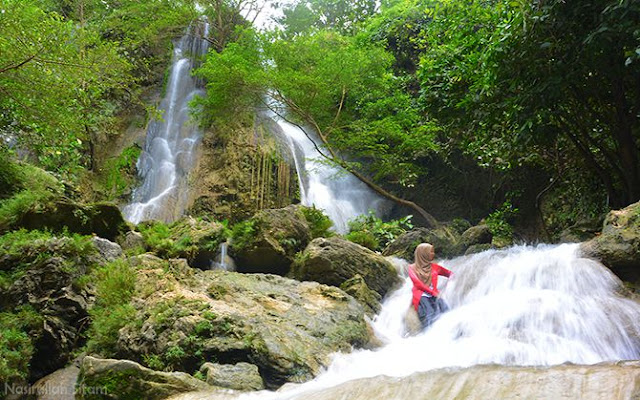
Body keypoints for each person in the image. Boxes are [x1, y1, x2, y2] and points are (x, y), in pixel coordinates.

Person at [407, 243, 452, 329]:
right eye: (430, 252)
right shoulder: (412, 268)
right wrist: (433, 292)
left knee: (446, 310)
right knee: (429, 313)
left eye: (433, 252)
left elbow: (450, 274)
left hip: (434, 295)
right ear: (423, 253)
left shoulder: (435, 267)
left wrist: (449, 284)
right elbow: (417, 284)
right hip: (422, 296)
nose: (433, 254)